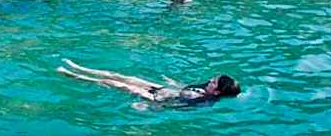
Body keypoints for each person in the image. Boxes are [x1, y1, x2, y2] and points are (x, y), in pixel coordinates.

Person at [57, 59, 241, 106]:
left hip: (154, 97)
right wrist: (173, 83)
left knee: (113, 83)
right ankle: (79, 67)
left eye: (214, 82)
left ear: (217, 92)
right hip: (162, 88)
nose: (210, 80)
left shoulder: (202, 102)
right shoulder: (206, 88)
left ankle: (73, 76)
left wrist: (149, 106)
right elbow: (184, 88)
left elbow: (174, 106)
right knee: (119, 76)